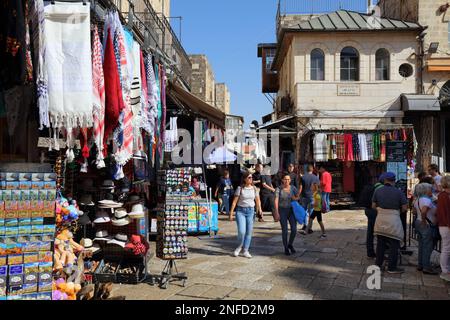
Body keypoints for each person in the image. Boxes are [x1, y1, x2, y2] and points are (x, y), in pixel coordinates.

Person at [372, 172, 408, 274]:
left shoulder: (378, 191)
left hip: (380, 219)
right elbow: (405, 208)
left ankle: (378, 265)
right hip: (393, 220)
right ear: (394, 180)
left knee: (380, 244)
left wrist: (381, 210)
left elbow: (373, 206)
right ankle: (392, 268)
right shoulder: (398, 192)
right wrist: (396, 212)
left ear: (384, 180)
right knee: (394, 244)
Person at [229, 172, 262, 258]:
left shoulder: (255, 189)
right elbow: (234, 202)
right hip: (240, 211)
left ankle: (246, 250)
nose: (251, 179)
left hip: (251, 211)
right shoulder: (240, 188)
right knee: (242, 231)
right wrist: (231, 213)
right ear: (244, 179)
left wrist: (260, 210)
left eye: (251, 177)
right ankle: (239, 247)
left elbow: (258, 200)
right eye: (249, 177)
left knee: (249, 232)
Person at [414, 183, 439, 275]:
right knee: (427, 246)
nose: (431, 190)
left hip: (418, 222)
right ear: (425, 190)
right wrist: (424, 220)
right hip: (426, 225)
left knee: (422, 245)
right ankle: (426, 267)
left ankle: (421, 264)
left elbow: (414, 211)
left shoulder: (418, 200)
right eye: (430, 189)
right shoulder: (427, 200)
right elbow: (424, 211)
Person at [358, 176, 384, 258]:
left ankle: (370, 251)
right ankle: (380, 252)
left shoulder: (373, 187)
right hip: (375, 211)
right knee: (380, 233)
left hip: (368, 210)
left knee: (370, 232)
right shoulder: (381, 188)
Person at [274, 174, 300, 256]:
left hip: (291, 210)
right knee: (284, 230)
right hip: (282, 210)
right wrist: (276, 212)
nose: (287, 181)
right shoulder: (278, 189)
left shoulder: (293, 188)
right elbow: (276, 200)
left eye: (288, 179)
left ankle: (290, 244)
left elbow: (298, 197)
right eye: (285, 179)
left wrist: (295, 198)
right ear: (282, 180)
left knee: (294, 229)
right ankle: (286, 247)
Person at [437, 175, 450, 282]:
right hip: (446, 226)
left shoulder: (443, 195)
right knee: (446, 248)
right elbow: (446, 213)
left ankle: (446, 269)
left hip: (444, 225)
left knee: (446, 248)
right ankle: (445, 270)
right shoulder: (444, 195)